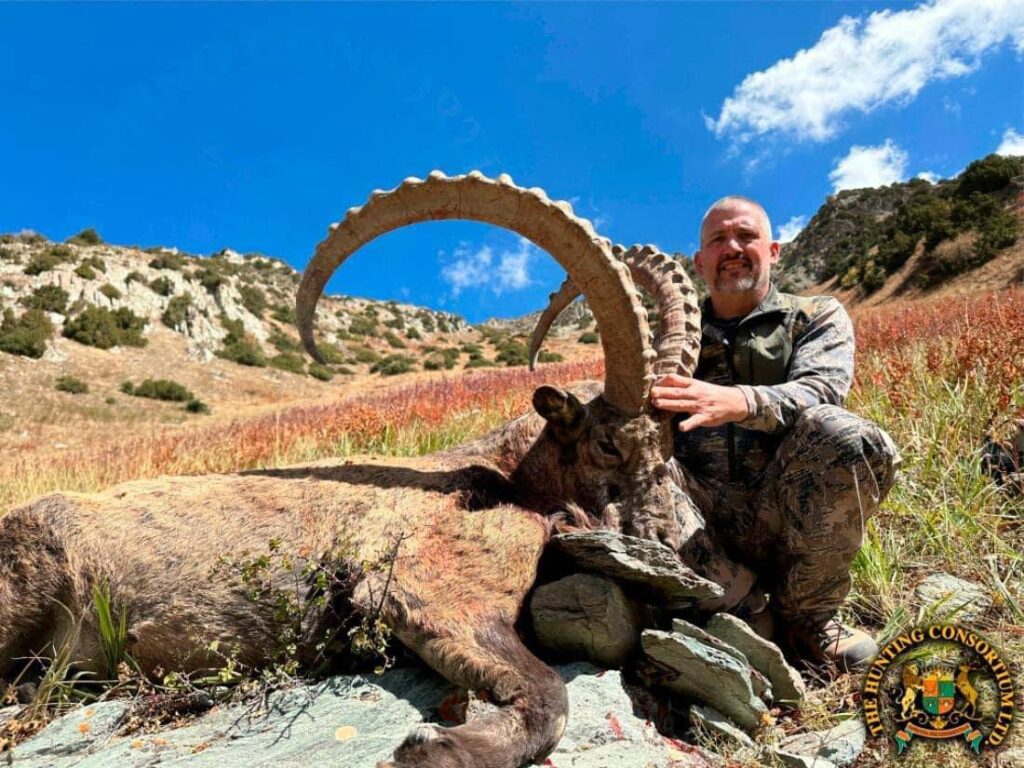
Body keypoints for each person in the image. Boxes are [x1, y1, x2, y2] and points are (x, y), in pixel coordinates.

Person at [651, 196, 900, 671]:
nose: (733, 247)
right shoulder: (668, 339)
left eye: (746, 236)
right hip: (697, 518)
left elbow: (823, 390)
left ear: (775, 250)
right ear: (700, 261)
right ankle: (742, 608)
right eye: (718, 239)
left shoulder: (816, 316)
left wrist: (740, 402)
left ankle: (809, 615)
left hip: (787, 509)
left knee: (845, 436)